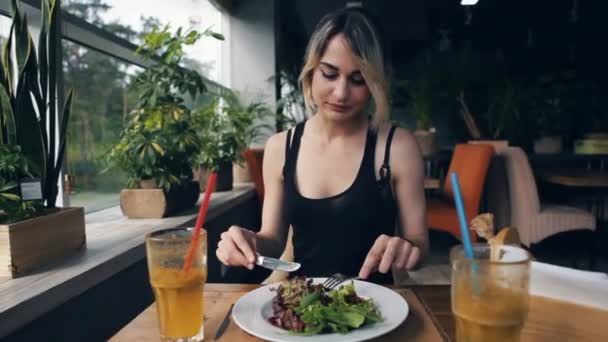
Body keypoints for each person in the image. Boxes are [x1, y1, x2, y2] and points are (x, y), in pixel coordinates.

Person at [216, 7, 429, 284]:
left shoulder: (398, 147)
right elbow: (273, 240)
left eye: (358, 80)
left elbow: (420, 242)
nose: (341, 93)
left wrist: (408, 247)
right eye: (329, 74)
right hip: (301, 310)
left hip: (377, 310)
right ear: (311, 72)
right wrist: (247, 242)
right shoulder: (281, 147)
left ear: (374, 83)